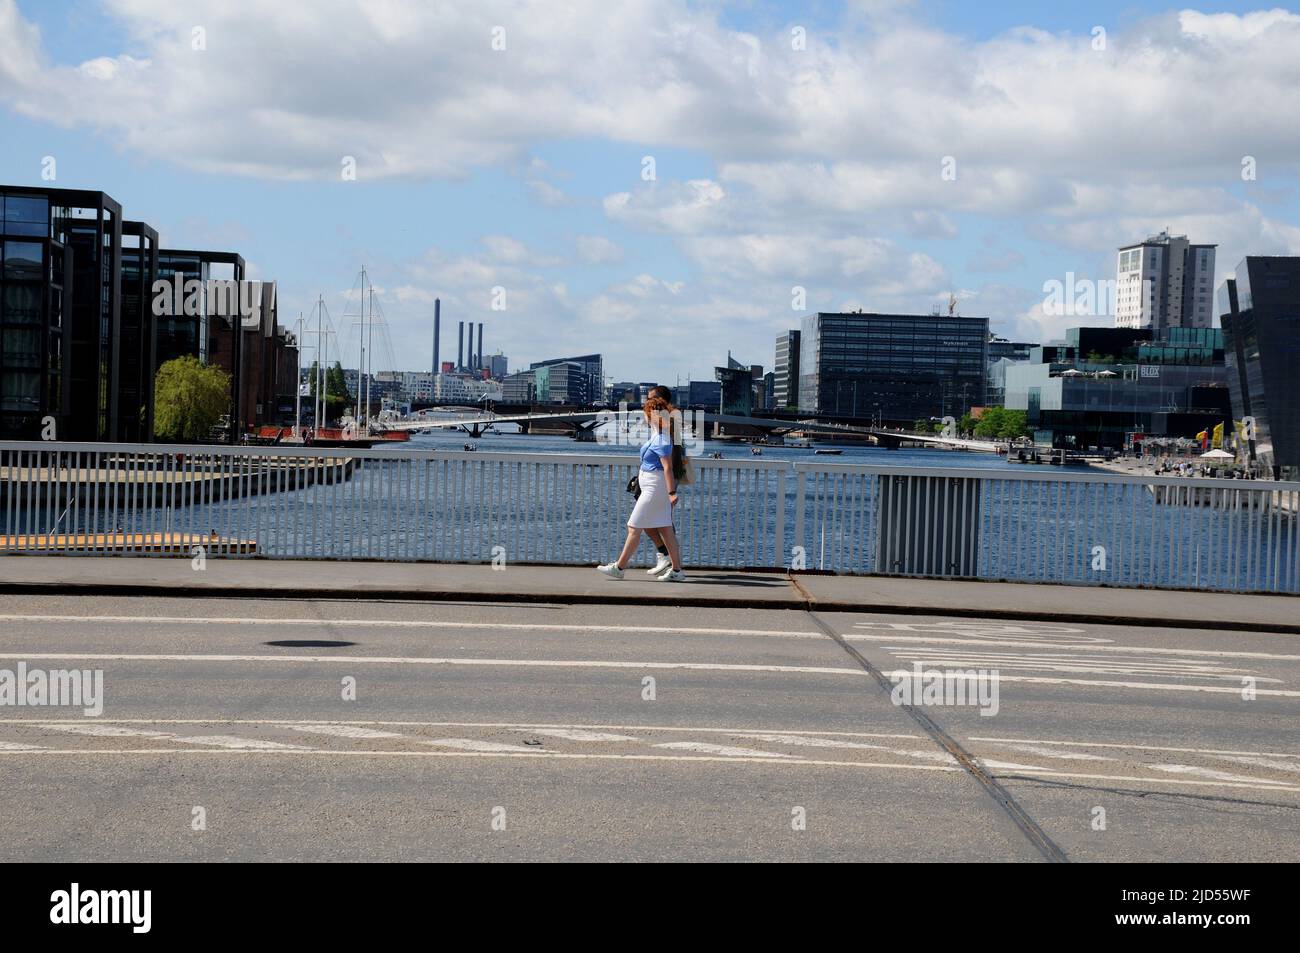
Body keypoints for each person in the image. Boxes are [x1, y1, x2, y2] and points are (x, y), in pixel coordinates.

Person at [596, 394, 685, 582]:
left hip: (655, 487)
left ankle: (619, 568)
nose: (643, 416)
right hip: (653, 485)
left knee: (633, 526)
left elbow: (667, 467)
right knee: (666, 528)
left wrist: (671, 493)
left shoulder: (661, 438)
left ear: (651, 414)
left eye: (645, 412)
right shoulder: (657, 435)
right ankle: (677, 571)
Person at [642, 385, 680, 576]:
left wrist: (671, 488)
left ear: (661, 400)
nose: (647, 402)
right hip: (653, 476)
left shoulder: (670, 419)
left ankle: (672, 564)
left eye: (651, 399)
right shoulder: (659, 419)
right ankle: (667, 559)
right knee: (654, 521)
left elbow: (671, 454)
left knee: (662, 523)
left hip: (662, 478)